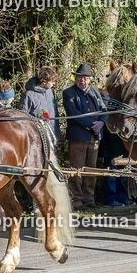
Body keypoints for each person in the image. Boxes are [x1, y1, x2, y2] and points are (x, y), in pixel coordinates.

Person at [63, 63, 107, 208]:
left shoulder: (94, 91)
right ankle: (76, 199)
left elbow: (104, 110)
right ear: (75, 78)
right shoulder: (69, 93)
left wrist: (101, 123)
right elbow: (73, 114)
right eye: (80, 77)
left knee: (91, 168)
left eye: (85, 78)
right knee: (76, 169)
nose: (82, 80)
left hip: (95, 137)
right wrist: (91, 124)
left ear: (90, 79)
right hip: (78, 137)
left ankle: (89, 198)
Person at [21, 66, 62, 143]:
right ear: (44, 81)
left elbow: (54, 113)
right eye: (52, 81)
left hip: (52, 135)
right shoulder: (28, 95)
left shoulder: (50, 92)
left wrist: (57, 134)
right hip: (36, 137)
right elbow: (22, 117)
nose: (54, 83)